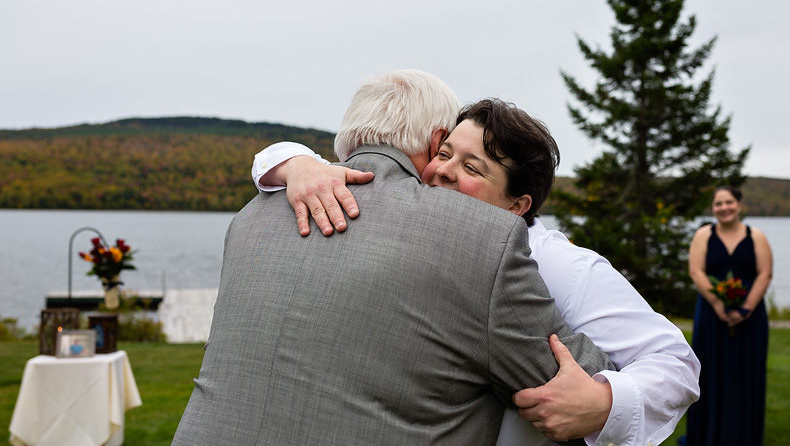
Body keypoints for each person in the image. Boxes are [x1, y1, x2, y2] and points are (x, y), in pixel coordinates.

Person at [172, 70, 615, 446]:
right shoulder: (482, 236)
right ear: (438, 139)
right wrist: (621, 389)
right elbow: (566, 381)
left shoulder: (254, 214)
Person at [252, 98, 701, 446]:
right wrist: (296, 163)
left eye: (471, 167)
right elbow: (283, 158)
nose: (443, 171)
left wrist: (604, 402)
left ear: (517, 205)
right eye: (444, 153)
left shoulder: (565, 267)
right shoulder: (410, 228)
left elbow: (676, 366)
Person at [683, 186, 773, 446]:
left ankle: (744, 436)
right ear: (713, 208)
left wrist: (746, 308)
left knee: (747, 373)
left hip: (751, 317)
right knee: (710, 373)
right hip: (711, 315)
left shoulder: (756, 236)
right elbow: (697, 272)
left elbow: (764, 274)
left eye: (729, 202)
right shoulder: (703, 235)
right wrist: (718, 303)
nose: (724, 208)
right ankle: (708, 436)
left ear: (739, 204)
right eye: (718, 203)